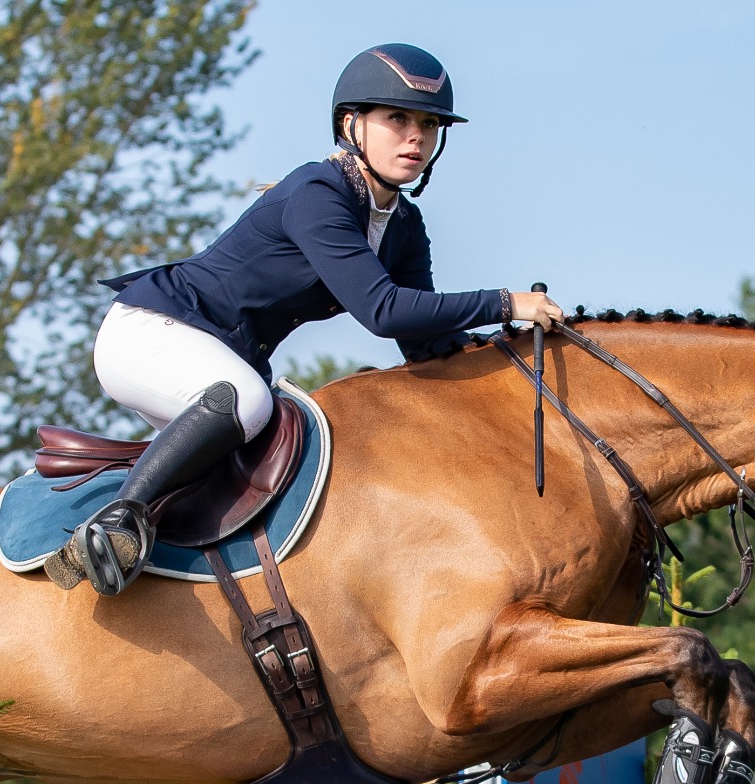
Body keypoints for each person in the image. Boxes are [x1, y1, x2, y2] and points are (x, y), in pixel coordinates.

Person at [45, 43, 564, 596]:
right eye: (398, 118)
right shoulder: (318, 192)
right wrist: (505, 302)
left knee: (264, 438)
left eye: (430, 124)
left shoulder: (404, 226)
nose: (416, 137)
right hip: (149, 332)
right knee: (251, 402)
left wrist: (507, 357)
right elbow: (383, 310)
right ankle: (115, 524)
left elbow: (425, 342)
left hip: (215, 359)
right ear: (350, 123)